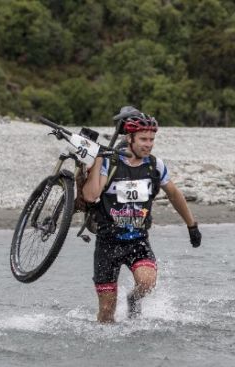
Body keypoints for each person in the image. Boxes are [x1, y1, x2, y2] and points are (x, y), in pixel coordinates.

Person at [82, 108, 202, 323]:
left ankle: (133, 300)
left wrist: (191, 226)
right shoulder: (111, 162)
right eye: (143, 139)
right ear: (129, 138)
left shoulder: (155, 165)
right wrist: (99, 158)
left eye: (151, 139)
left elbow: (174, 195)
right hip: (107, 244)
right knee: (106, 314)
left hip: (137, 240)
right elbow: (91, 196)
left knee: (147, 282)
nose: (148, 144)